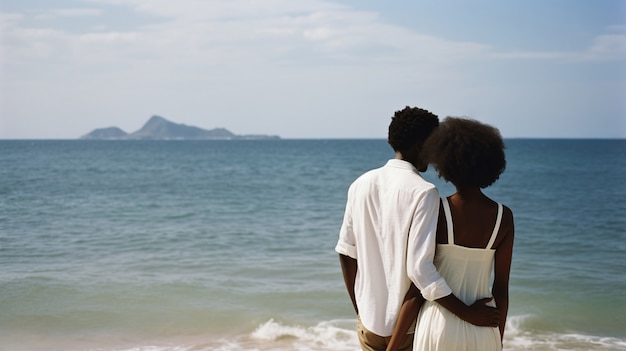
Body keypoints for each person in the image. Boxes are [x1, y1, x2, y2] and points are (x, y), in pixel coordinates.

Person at [336, 107, 500, 351]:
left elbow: (347, 253)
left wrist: (360, 308)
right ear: (419, 144)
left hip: (368, 325)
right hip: (408, 330)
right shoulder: (424, 192)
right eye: (433, 144)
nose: (436, 155)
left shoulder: (360, 184)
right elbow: (420, 270)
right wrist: (466, 313)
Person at [387, 117, 514, 351]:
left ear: (446, 163)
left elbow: (418, 288)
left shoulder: (438, 211)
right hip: (484, 328)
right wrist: (498, 338)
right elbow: (501, 290)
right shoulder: (503, 217)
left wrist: (392, 347)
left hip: (438, 326)